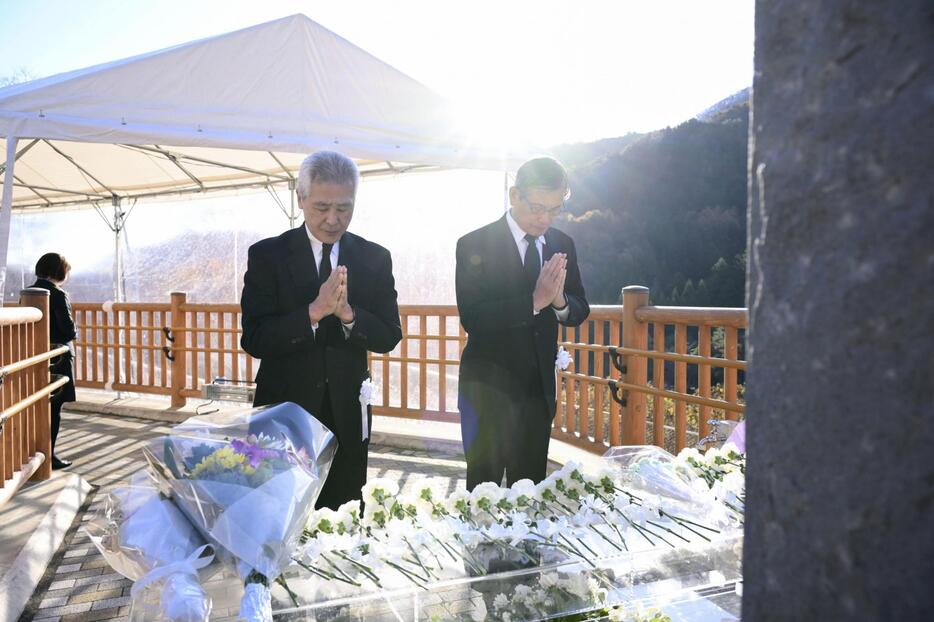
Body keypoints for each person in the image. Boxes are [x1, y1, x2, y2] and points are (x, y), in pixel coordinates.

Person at [240, 151, 402, 510]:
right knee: (277, 513)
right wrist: (313, 313)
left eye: (344, 208)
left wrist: (347, 314)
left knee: (343, 516)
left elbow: (389, 334)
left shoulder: (374, 257)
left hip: (347, 413)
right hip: (283, 410)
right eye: (322, 207)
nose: (333, 219)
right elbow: (254, 337)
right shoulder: (268, 255)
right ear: (300, 199)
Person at [456, 156, 589, 490]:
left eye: (555, 209)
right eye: (536, 207)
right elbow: (473, 317)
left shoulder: (562, 244)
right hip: (486, 390)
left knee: (530, 491)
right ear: (514, 195)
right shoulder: (474, 244)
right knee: (482, 491)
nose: (545, 218)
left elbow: (579, 309)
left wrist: (558, 301)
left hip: (537, 393)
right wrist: (534, 302)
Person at [31, 252, 77, 470]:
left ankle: (33, 452)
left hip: (33, 356)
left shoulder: (28, 292)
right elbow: (68, 330)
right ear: (59, 271)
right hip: (57, 357)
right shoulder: (58, 294)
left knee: (35, 407)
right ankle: (49, 456)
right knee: (54, 408)